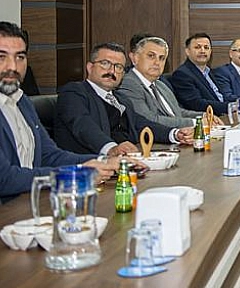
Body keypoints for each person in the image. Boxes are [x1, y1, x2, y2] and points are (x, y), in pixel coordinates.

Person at [0, 21, 118, 201]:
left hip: (32, 201)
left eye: (20, 57)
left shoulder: (22, 101)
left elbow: (49, 156)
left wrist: (105, 162)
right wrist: (75, 174)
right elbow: (4, 179)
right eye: (2, 57)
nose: (13, 67)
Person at [55, 42, 194, 155]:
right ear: (90, 67)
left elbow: (141, 124)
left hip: (129, 161)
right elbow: (83, 125)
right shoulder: (74, 92)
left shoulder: (121, 99)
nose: (111, 71)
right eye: (105, 63)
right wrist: (111, 148)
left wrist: (175, 134)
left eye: (118, 67)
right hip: (90, 168)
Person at [117, 35, 220, 128]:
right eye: (151, 56)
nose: (157, 62)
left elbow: (177, 112)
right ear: (135, 58)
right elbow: (150, 120)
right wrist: (197, 122)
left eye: (162, 58)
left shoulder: (161, 85)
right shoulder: (128, 84)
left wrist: (204, 116)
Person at [170, 33, 230, 115]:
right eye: (197, 47)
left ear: (210, 51)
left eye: (206, 47)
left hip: (224, 115)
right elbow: (197, 104)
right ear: (187, 51)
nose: (202, 51)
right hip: (207, 118)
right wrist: (229, 107)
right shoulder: (182, 74)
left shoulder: (209, 72)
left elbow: (220, 97)